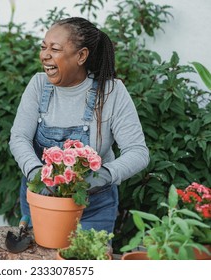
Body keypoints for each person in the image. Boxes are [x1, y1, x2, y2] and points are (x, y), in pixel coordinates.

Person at [9, 17, 149, 234]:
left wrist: (103, 175)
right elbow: (19, 138)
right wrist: (37, 172)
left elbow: (138, 152)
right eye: (43, 47)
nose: (44, 55)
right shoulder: (38, 85)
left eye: (55, 49)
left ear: (81, 55)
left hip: (93, 207)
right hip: (41, 201)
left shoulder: (111, 92)